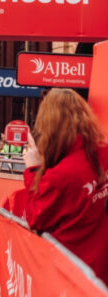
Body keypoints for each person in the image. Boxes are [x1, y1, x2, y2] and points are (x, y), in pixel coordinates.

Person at [22, 89, 108, 284]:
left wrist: (33, 170)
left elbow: (36, 217)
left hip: (74, 274)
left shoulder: (61, 175)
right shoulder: (103, 153)